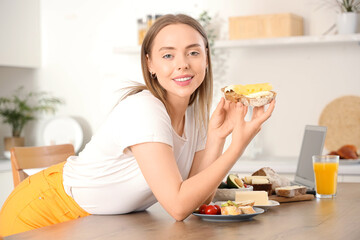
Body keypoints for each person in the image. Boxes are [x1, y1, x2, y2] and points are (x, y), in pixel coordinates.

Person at [0, 13, 275, 236]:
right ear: (150, 63)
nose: (182, 64)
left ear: (206, 59)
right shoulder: (145, 109)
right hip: (44, 212)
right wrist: (238, 145)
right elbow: (178, 207)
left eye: (193, 53)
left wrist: (217, 138)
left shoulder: (194, 114)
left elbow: (196, 200)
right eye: (168, 55)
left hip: (94, 224)